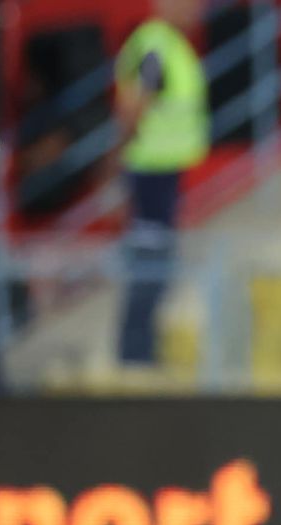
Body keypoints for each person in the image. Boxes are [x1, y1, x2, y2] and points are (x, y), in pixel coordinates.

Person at [113, 0, 209, 364]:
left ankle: (140, 351)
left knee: (157, 264)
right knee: (151, 265)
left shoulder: (169, 43)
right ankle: (135, 355)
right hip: (150, 173)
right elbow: (134, 105)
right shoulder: (156, 44)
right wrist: (119, 167)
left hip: (162, 172)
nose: (197, 9)